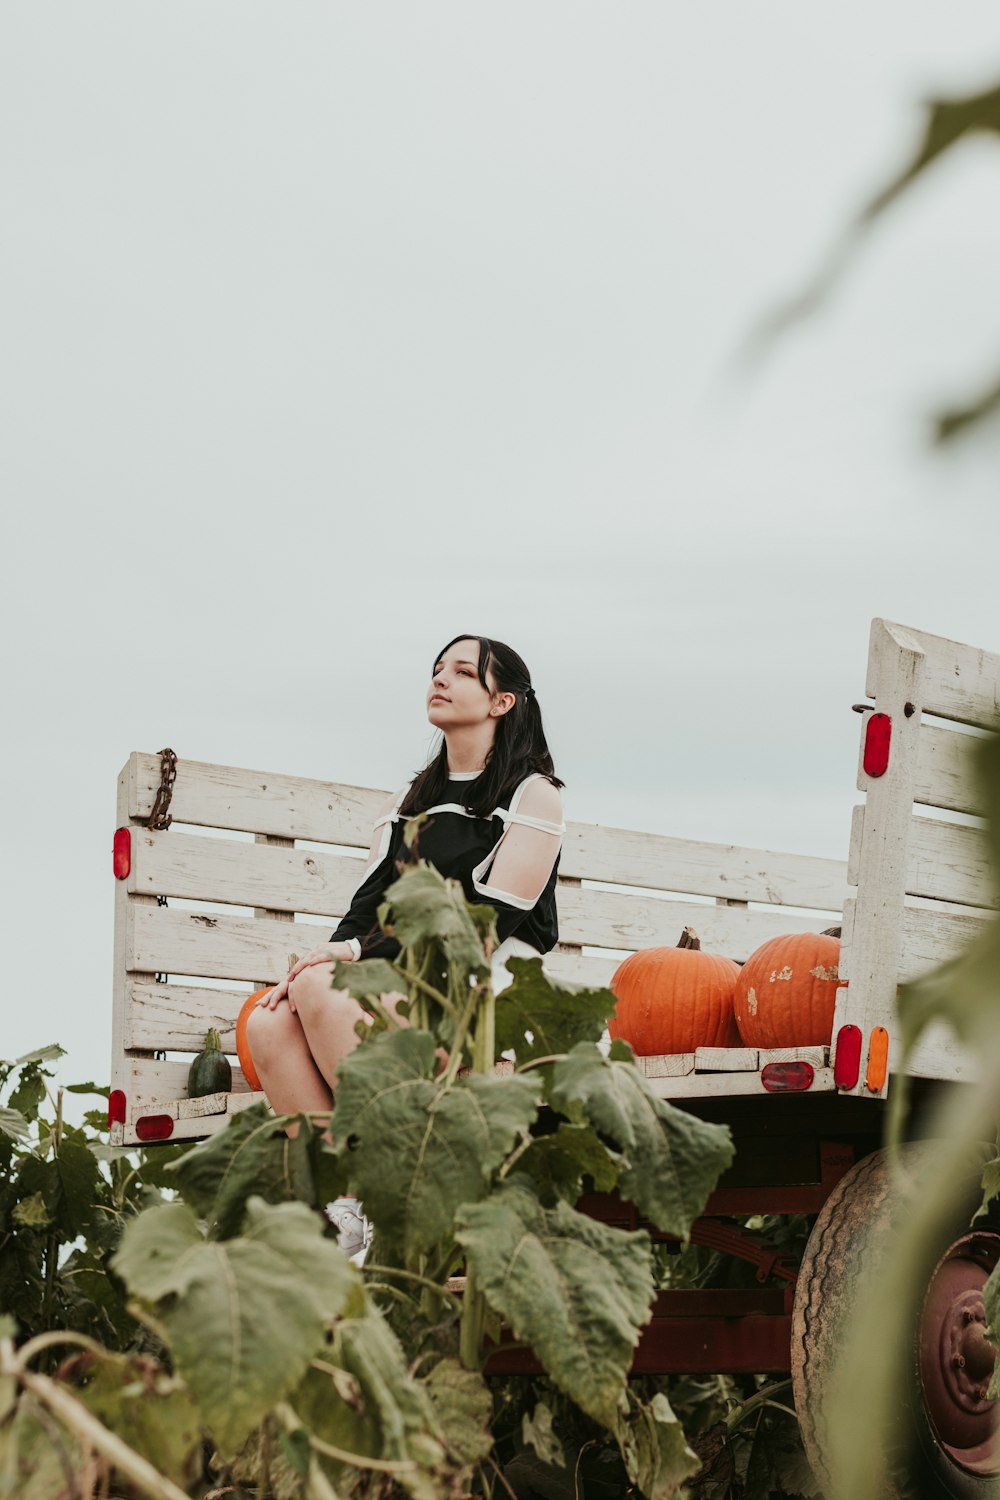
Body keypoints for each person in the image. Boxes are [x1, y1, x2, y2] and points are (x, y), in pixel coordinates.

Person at [245, 632, 565, 1127]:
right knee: (268, 1023)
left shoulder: (533, 795)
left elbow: (486, 928)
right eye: (438, 669)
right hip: (410, 980)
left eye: (462, 671)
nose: (441, 678)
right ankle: (345, 1197)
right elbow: (367, 906)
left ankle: (383, 1170)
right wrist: (327, 955)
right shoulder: (405, 802)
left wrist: (352, 954)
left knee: (318, 988)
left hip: (489, 988)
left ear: (502, 701)